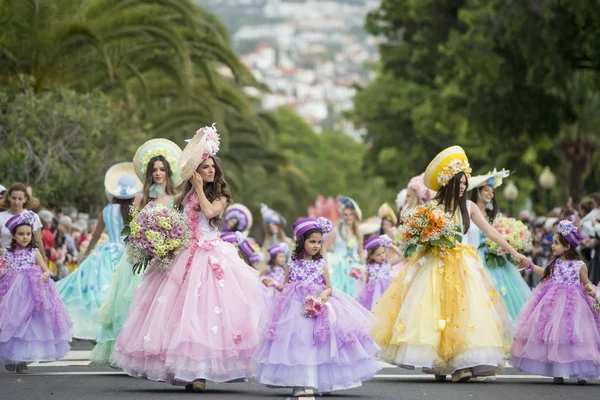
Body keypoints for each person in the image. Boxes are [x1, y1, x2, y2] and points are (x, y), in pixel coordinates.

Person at [112, 125, 265, 392]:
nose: (210, 171)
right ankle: (184, 368)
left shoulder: (220, 195)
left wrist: (200, 189)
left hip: (210, 256)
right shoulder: (184, 196)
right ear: (196, 170)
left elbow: (209, 210)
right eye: (204, 167)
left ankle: (202, 372)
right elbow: (180, 224)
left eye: (212, 168)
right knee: (178, 313)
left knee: (206, 312)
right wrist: (161, 240)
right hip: (184, 254)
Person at [371, 146, 531, 383]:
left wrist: (515, 253)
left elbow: (491, 232)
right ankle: (439, 362)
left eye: (466, 183)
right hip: (435, 264)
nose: (464, 187)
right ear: (449, 183)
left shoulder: (469, 207)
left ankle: (461, 364)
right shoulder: (431, 208)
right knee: (433, 311)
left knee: (465, 311)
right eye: (460, 183)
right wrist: (425, 237)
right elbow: (417, 237)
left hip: (463, 265)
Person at [254, 217, 381, 396]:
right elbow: (286, 286)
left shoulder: (321, 264)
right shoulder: (292, 263)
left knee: (320, 342)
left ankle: (322, 381)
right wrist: (273, 284)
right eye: (312, 241)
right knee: (298, 342)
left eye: (319, 242)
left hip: (318, 305)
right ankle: (299, 381)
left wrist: (323, 295)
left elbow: (329, 286)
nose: (316, 246)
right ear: (301, 242)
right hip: (295, 305)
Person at [91, 140, 182, 365]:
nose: (158, 173)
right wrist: (145, 242)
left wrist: (168, 245)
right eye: (154, 170)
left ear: (168, 171)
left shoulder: (176, 198)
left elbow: (180, 228)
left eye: (162, 169)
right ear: (148, 173)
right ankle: (128, 349)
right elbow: (135, 226)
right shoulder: (142, 197)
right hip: (140, 256)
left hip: (167, 256)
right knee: (131, 301)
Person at [56, 163, 142, 339]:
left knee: (103, 291)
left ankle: (104, 328)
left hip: (107, 253)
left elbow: (95, 235)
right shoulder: (135, 211)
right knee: (125, 292)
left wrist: (85, 255)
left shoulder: (107, 211)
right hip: (128, 253)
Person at [511, 220, 600, 385]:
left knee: (576, 335)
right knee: (555, 335)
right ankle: (557, 369)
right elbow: (545, 273)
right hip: (553, 302)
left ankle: (580, 371)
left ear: (567, 247)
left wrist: (593, 294)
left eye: (556, 243)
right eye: (553, 243)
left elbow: (585, 283)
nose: (553, 246)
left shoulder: (580, 265)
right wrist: (530, 265)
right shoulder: (555, 263)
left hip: (575, 305)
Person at [0, 211, 72, 373]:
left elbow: (45, 270)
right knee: (12, 322)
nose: (25, 237)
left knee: (29, 324)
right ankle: (11, 356)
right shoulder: (8, 253)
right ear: (13, 235)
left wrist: (45, 275)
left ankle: (21, 359)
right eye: (21, 234)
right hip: (12, 291)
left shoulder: (34, 252)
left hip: (32, 291)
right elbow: (3, 268)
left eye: (27, 234)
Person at [466, 169, 531, 321]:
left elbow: (495, 234)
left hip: (496, 260)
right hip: (475, 259)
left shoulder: (493, 216)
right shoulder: (468, 211)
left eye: (492, 192)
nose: (490, 194)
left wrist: (511, 245)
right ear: (477, 191)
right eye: (487, 190)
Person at [322, 196, 363, 296]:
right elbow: (324, 248)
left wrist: (364, 262)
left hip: (353, 266)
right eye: (345, 215)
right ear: (342, 216)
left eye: (350, 215)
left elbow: (360, 251)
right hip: (338, 266)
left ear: (354, 216)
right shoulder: (336, 231)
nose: (348, 217)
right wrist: (325, 262)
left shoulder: (358, 233)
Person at [0, 183, 46, 262]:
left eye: (20, 199)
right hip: (5, 262)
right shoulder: (1, 217)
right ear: (8, 197)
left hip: (27, 263)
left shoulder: (33, 217)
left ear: (25, 199)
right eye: (14, 198)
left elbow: (38, 243)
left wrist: (44, 263)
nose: (16, 202)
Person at [356, 235, 398, 311]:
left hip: (388, 292)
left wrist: (390, 245)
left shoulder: (388, 263)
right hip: (374, 295)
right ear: (371, 256)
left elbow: (402, 255)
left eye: (383, 252)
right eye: (378, 255)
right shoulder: (369, 267)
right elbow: (366, 283)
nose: (382, 256)